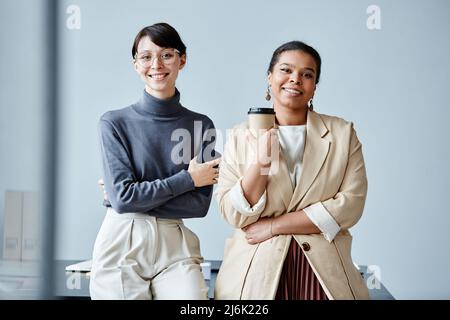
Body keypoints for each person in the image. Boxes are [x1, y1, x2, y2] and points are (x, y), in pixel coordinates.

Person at [214, 41, 369, 300]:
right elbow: (233, 214)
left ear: (314, 87)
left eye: (307, 74)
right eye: (286, 70)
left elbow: (350, 206)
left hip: (326, 269)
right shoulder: (241, 135)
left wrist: (274, 225)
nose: (295, 79)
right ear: (270, 77)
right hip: (255, 269)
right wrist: (262, 161)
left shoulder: (343, 133)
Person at [90, 23, 220, 300]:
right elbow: (126, 200)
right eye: (146, 56)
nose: (156, 64)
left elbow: (199, 206)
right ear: (136, 64)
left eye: (167, 55)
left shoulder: (201, 125)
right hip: (122, 239)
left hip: (176, 242)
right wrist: (189, 180)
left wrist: (126, 195)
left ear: (182, 60)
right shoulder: (114, 123)